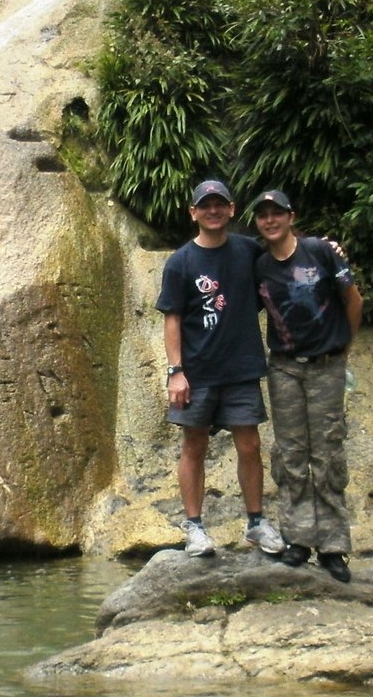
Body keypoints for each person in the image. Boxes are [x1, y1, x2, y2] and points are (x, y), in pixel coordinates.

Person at [156, 179, 285, 558]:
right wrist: (175, 371)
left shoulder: (247, 251)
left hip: (242, 367)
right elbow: (172, 319)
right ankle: (194, 527)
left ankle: (257, 522)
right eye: (205, 205)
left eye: (220, 204)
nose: (213, 211)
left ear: (231, 210)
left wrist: (326, 250)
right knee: (194, 445)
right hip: (197, 373)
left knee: (250, 444)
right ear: (193, 212)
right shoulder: (180, 262)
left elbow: (282, 262)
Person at [250, 188, 363, 583]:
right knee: (291, 456)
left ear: (291, 216)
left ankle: (333, 546)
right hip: (284, 368)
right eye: (263, 215)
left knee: (328, 453)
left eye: (276, 213)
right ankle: (298, 539)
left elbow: (353, 300)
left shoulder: (319, 251)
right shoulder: (258, 264)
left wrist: (344, 346)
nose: (270, 220)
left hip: (326, 366)